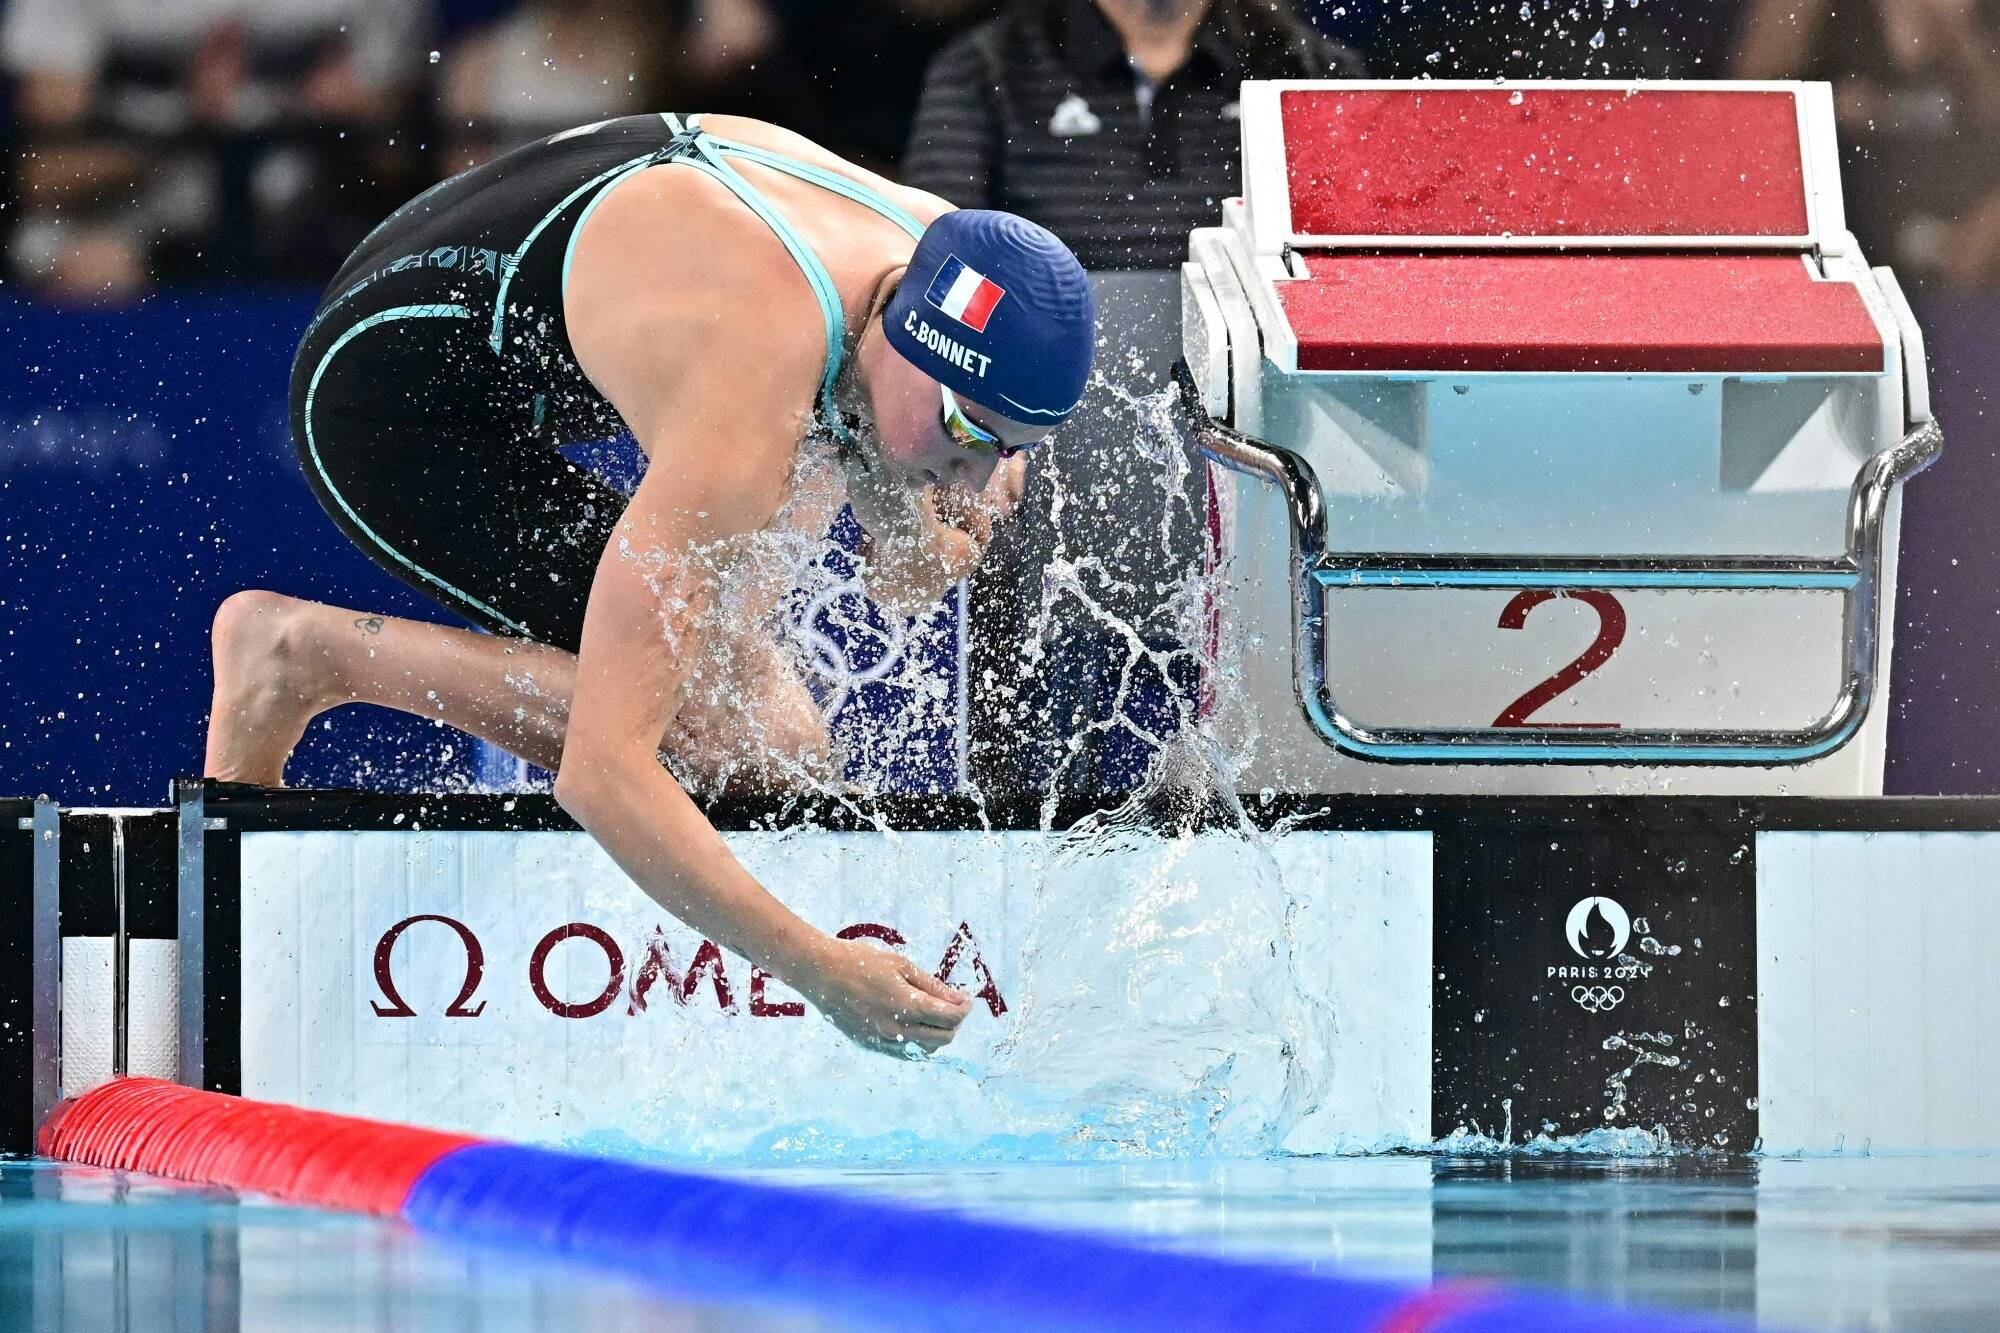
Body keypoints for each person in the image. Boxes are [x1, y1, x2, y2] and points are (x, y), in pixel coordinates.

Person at [202, 112, 1097, 1055]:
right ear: (914, 346)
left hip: (491, 264)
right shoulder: (755, 372)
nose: (979, 473)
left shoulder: (926, 267)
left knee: (767, 726)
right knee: (726, 741)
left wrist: (928, 492)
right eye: (967, 434)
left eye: (1010, 448)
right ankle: (300, 655)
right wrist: (818, 967)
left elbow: (896, 553)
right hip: (392, 401)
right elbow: (602, 773)